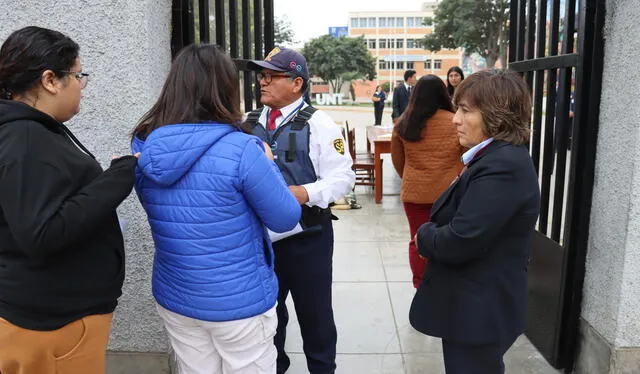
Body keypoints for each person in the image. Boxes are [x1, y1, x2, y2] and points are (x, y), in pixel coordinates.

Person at [131, 44, 302, 374]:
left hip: (177, 295)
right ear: (225, 89)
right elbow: (285, 217)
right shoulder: (243, 149)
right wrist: (269, 164)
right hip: (239, 301)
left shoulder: (144, 147)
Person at [0, 26, 138, 374]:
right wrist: (117, 179)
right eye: (78, 76)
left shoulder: (29, 131)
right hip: (53, 328)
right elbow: (42, 233)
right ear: (50, 80)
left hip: (46, 315)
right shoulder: (26, 138)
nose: (81, 86)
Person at [409, 69, 540, 374]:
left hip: (480, 311)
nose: (455, 119)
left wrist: (425, 236)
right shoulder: (491, 157)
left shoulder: (503, 165)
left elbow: (461, 239)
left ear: (497, 115)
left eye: (465, 110)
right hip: (470, 307)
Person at [245, 46, 355, 374]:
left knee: (315, 317)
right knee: (268, 321)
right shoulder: (246, 123)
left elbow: (344, 176)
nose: (262, 82)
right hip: (260, 242)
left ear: (296, 83)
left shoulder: (319, 123)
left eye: (271, 76)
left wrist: (304, 192)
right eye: (261, 76)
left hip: (309, 237)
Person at [390, 75, 464, 289]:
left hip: (414, 195)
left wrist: (414, 177)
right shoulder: (454, 121)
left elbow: (398, 162)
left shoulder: (403, 124)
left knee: (418, 240)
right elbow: (466, 156)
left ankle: (421, 286)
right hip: (449, 194)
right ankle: (445, 285)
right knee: (449, 240)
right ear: (443, 93)